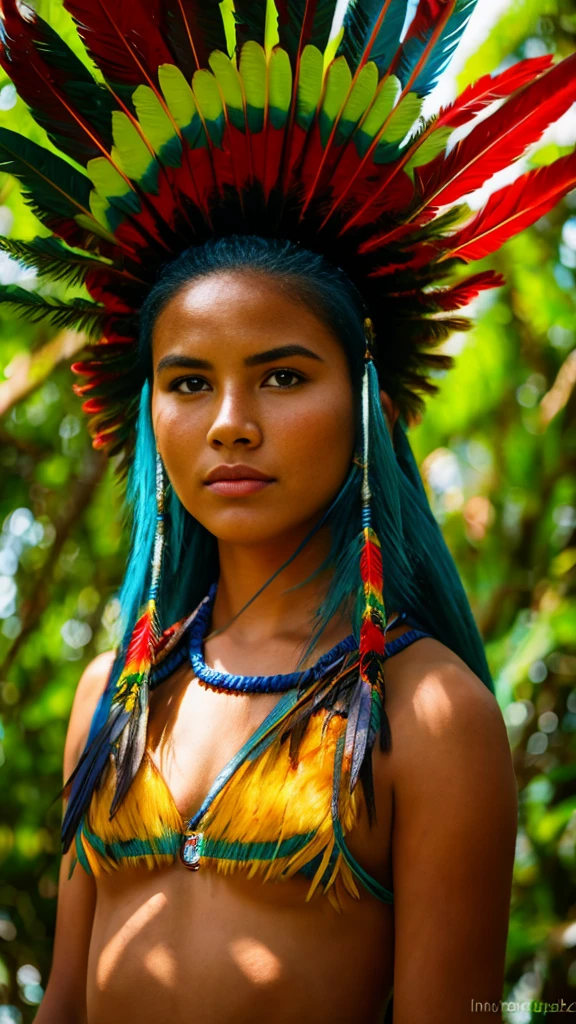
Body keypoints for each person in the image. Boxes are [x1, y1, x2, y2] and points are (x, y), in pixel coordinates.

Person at [0, 0, 573, 1021]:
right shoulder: (115, 699)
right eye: (186, 383)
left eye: (279, 376)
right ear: (147, 413)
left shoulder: (431, 718)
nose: (228, 424)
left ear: (363, 404)